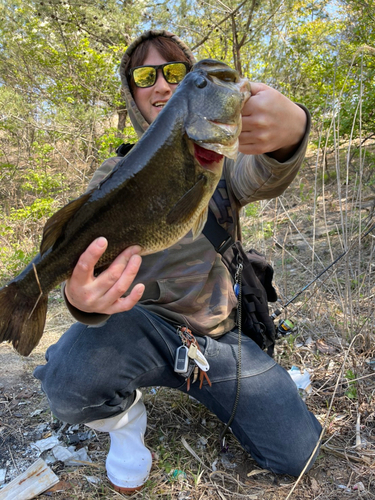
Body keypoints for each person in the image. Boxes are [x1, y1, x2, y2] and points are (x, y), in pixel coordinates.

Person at [34, 29, 322, 494]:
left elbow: (265, 173)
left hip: (217, 340)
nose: (162, 85)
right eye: (145, 75)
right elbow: (92, 268)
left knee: (299, 453)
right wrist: (79, 298)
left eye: (176, 73)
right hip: (137, 329)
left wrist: (291, 133)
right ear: (131, 93)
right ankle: (126, 427)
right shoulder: (110, 175)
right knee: (68, 380)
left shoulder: (220, 157)